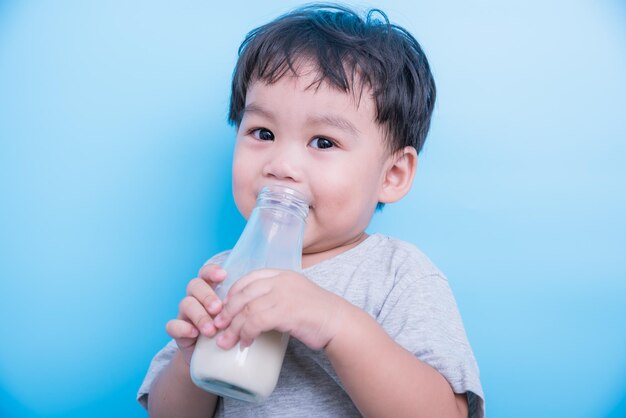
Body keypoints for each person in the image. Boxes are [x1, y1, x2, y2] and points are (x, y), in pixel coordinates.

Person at [138, 3, 484, 417]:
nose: (281, 166)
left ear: (392, 174)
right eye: (262, 133)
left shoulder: (398, 274)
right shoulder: (226, 272)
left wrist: (336, 324)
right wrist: (190, 358)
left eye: (323, 142)